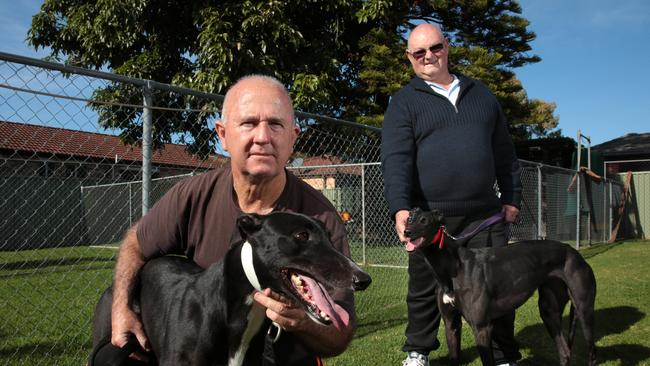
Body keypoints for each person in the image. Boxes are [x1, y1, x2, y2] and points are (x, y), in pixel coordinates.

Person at [109, 75, 356, 365]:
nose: (262, 137)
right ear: (223, 135)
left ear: (293, 138)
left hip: (279, 351)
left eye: (276, 124)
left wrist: (304, 321)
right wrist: (121, 309)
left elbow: (340, 335)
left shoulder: (319, 218)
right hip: (204, 341)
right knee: (110, 358)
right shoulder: (193, 195)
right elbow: (135, 244)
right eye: (249, 123)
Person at [381, 23, 523, 366]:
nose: (428, 56)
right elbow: (396, 159)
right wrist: (401, 209)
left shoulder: (482, 95)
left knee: (495, 286)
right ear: (409, 58)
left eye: (435, 48)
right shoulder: (403, 103)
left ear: (447, 47)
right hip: (430, 218)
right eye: (419, 52)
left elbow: (504, 152)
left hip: (485, 215)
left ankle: (503, 355)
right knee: (423, 290)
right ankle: (418, 351)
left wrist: (512, 197)